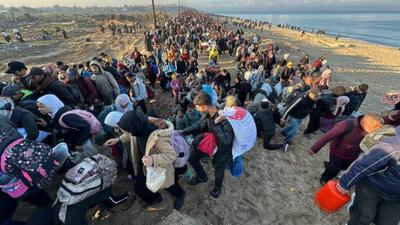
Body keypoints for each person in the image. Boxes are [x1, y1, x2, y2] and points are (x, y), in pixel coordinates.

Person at [103, 111, 186, 210]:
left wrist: (153, 159)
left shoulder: (157, 137)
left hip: (160, 166)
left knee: (169, 184)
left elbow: (171, 155)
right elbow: (130, 135)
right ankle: (155, 198)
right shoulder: (139, 128)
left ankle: (180, 194)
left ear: (133, 128)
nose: (120, 130)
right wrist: (118, 139)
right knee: (140, 188)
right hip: (148, 164)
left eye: (123, 129)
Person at [336, 126, 400, 225]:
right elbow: (367, 162)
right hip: (372, 186)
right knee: (365, 217)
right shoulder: (394, 144)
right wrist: (345, 182)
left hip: (396, 197)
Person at [180, 92, 234, 198]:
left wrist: (216, 123)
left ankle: (217, 188)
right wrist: (183, 131)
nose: (196, 109)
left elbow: (227, 141)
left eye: (197, 107)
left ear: (204, 106)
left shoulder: (224, 118)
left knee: (218, 171)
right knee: (192, 158)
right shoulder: (207, 114)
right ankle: (202, 176)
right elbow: (199, 125)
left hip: (222, 151)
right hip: (208, 142)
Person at [309, 113, 382, 184]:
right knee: (334, 169)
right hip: (337, 152)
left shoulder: (373, 128)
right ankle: (324, 177)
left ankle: (330, 166)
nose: (367, 133)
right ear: (362, 122)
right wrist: (314, 148)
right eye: (367, 130)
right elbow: (327, 136)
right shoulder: (347, 124)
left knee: (344, 168)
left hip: (353, 154)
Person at [36, 94, 98, 164]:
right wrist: (47, 124)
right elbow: (62, 126)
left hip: (83, 142)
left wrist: (79, 143)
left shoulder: (65, 117)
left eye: (42, 106)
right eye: (38, 107)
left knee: (94, 160)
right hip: (78, 141)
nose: (39, 109)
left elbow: (85, 126)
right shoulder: (58, 112)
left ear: (51, 104)